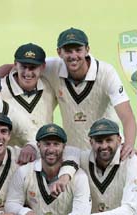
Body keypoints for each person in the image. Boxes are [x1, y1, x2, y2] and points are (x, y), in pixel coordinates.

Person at [43, 27, 136, 160]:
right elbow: (19, 66)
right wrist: (0, 79)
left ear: (87, 49)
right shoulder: (52, 67)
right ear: (59, 52)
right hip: (73, 153)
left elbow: (127, 117)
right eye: (68, 51)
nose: (73, 56)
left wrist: (129, 145)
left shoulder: (106, 73)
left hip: (108, 151)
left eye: (78, 50)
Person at [5, 123, 91, 215]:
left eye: (56, 144)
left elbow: (82, 212)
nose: (51, 149)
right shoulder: (24, 172)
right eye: (47, 144)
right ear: (38, 145)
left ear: (64, 147)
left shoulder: (79, 177)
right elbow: (11, 203)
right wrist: (25, 212)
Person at [0, 43, 57, 160]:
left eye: (32, 67)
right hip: (11, 162)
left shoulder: (50, 87)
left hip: (44, 161)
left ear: (42, 67)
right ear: (15, 64)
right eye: (23, 66)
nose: (27, 72)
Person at [73, 118, 137, 214]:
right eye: (99, 141)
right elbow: (65, 153)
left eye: (109, 140)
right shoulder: (82, 159)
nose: (104, 146)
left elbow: (131, 209)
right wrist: (66, 173)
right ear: (91, 142)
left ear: (119, 140)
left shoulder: (132, 161)